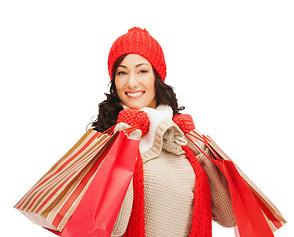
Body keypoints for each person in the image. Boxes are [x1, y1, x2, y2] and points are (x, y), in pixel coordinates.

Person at [91, 27, 236, 237]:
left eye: (142, 70)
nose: (131, 82)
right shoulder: (105, 138)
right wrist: (124, 142)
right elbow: (108, 227)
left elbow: (229, 216)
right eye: (122, 72)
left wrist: (198, 145)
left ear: (157, 76)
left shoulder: (182, 138)